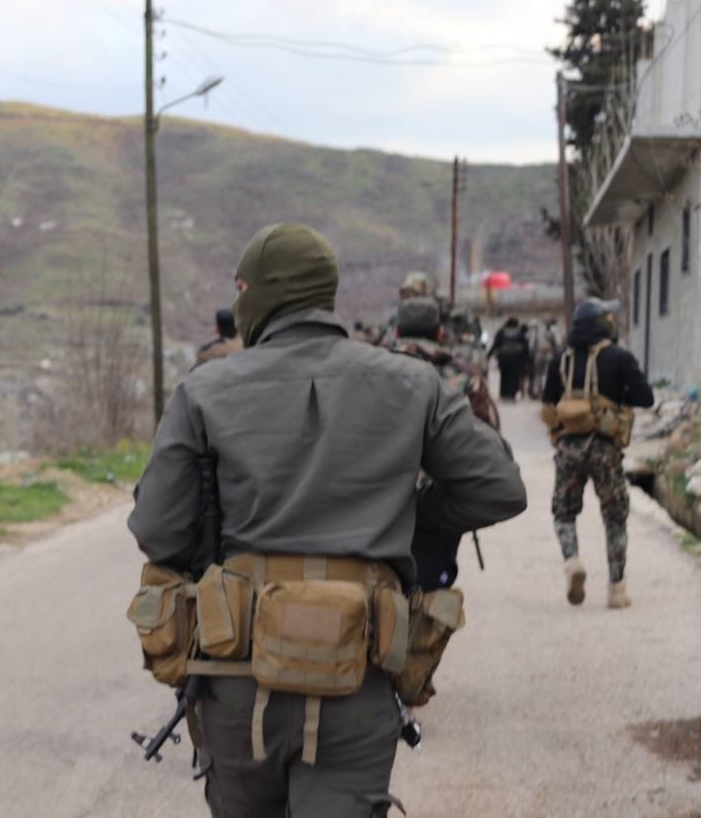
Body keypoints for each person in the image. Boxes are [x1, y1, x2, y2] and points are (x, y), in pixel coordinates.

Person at [128, 224, 526, 817]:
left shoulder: (204, 389)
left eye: (242, 288)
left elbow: (157, 530)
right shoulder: (413, 382)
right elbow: (498, 488)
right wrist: (406, 517)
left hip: (237, 685)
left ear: (263, 294)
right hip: (358, 684)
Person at [541, 298, 653, 609]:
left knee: (563, 513)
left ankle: (572, 562)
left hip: (568, 448)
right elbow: (646, 397)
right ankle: (617, 589)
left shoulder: (559, 360)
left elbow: (548, 404)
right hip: (605, 449)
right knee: (615, 517)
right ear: (602, 323)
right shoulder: (619, 357)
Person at [390, 297, 501, 590]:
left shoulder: (368, 370)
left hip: (380, 501)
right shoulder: (465, 377)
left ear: (396, 332)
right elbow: (488, 443)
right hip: (439, 506)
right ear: (440, 333)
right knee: (430, 595)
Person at [487, 317, 530, 401]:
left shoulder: (501, 332)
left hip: (504, 358)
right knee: (514, 376)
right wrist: (527, 359)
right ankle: (512, 393)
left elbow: (495, 344)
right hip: (516, 358)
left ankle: (504, 393)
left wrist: (489, 354)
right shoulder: (520, 332)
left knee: (504, 376)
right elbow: (525, 346)